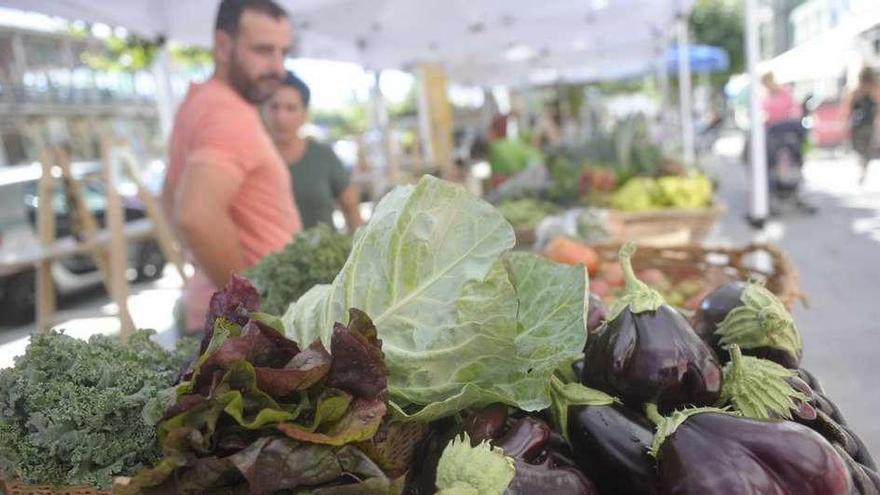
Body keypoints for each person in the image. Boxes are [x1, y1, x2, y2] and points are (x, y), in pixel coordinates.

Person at [161, 0, 302, 334]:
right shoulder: (226, 112)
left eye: (284, 52)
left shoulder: (197, 103)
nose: (278, 67)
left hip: (216, 315)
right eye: (264, 50)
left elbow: (169, 196)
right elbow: (195, 216)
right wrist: (251, 312)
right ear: (223, 45)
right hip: (238, 328)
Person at [263, 72, 363, 231]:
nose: (281, 117)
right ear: (262, 110)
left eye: (291, 108)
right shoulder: (252, 158)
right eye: (274, 107)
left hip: (325, 254)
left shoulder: (323, 156)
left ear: (304, 114)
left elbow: (351, 208)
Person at [842, 67, 880, 184]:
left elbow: (847, 107)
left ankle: (863, 166)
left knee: (862, 148)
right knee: (862, 148)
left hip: (862, 124)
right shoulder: (859, 89)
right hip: (863, 124)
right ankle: (863, 166)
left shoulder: (866, 89)